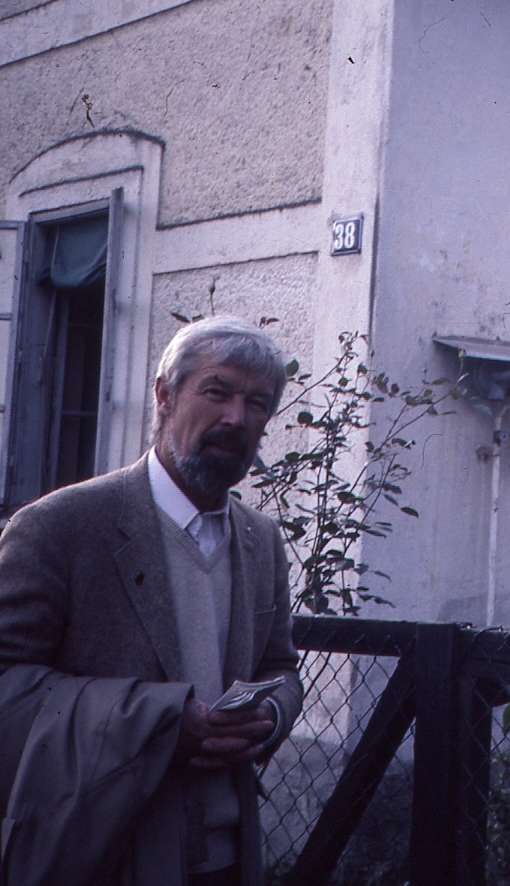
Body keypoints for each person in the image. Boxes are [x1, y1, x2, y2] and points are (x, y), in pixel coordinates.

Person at [0, 316, 303, 886]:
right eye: (216, 392)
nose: (236, 417)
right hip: (98, 853)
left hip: (228, 858)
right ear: (164, 395)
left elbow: (280, 668)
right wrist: (154, 722)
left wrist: (269, 718)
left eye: (257, 403)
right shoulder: (61, 526)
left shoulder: (260, 539)